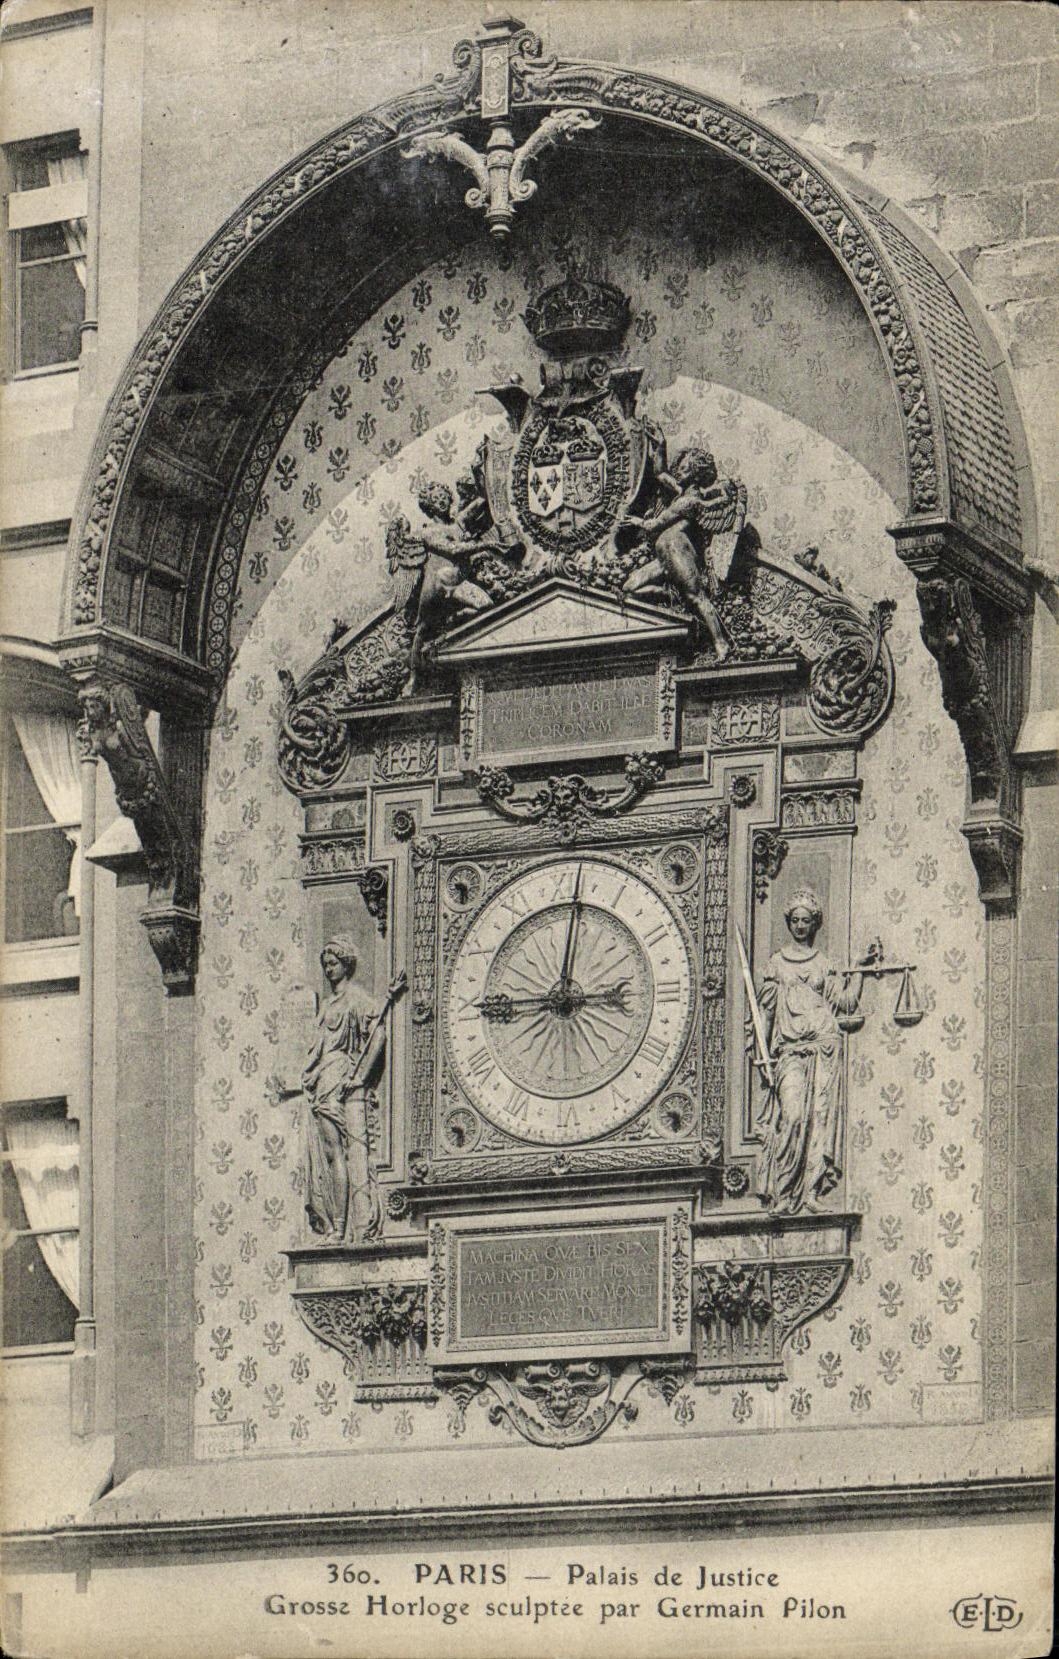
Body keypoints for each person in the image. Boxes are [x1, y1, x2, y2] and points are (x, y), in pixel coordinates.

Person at [753, 889, 881, 1215]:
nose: (799, 926)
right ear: (788, 922)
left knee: (819, 1123)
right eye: (794, 920)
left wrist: (858, 969)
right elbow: (765, 1014)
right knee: (793, 1116)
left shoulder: (825, 965)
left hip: (824, 1049)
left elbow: (847, 1003)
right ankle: (784, 1193)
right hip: (790, 1053)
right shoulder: (777, 964)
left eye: (805, 921)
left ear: (814, 924)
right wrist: (762, 1054)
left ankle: (810, 1193)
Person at [303, 937, 386, 1243]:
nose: (328, 970)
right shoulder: (327, 1005)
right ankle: (335, 1222)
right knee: (328, 1152)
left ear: (346, 964)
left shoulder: (356, 998)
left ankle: (341, 1225)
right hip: (322, 1078)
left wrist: (361, 1076)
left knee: (338, 1151)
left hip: (339, 1075)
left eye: (333, 963)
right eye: (325, 964)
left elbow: (378, 1035)